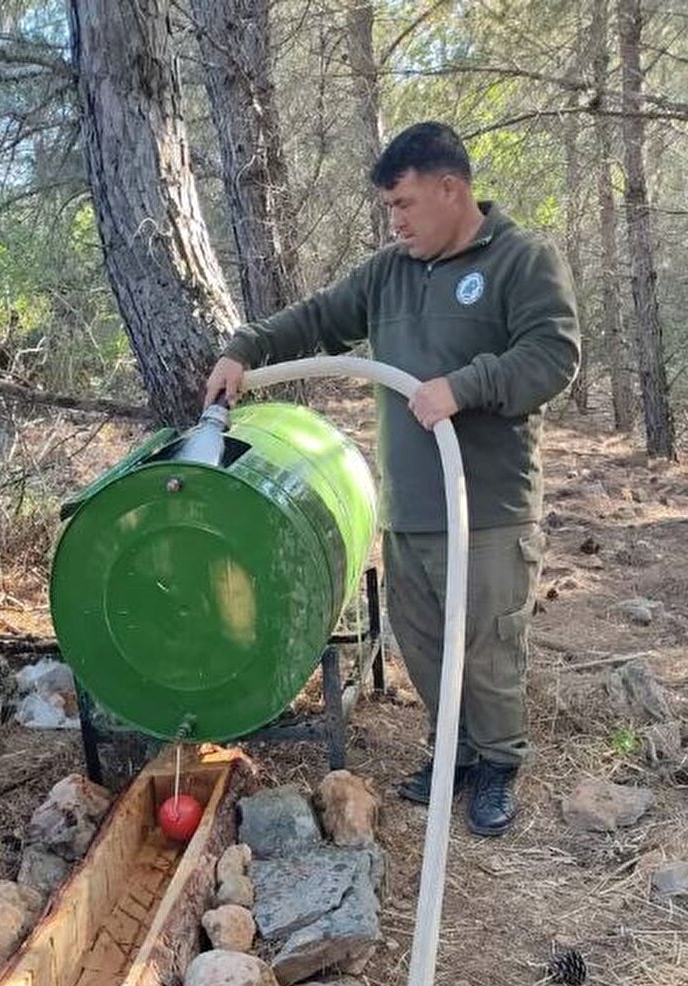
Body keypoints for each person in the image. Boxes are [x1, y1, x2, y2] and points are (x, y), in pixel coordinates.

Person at [205, 121, 580, 837]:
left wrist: (465, 387)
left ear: (451, 188)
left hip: (488, 506)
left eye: (404, 204)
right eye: (388, 209)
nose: (396, 221)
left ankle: (498, 764)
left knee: (489, 644)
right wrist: (245, 349)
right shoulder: (388, 273)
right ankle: (457, 756)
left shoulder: (522, 260)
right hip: (409, 507)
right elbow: (318, 319)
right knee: (429, 643)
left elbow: (553, 356)